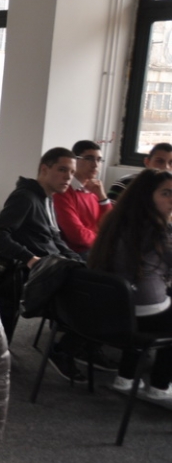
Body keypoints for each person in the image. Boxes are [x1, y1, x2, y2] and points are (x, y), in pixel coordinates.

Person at [0, 147, 84, 374]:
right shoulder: (25, 197)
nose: (68, 177)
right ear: (44, 169)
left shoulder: (48, 199)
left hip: (48, 269)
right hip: (27, 274)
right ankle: (63, 349)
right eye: (62, 170)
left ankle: (68, 347)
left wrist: (77, 261)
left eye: (72, 172)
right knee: (86, 299)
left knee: (91, 283)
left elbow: (55, 238)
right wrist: (30, 259)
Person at [88, 168, 172, 401]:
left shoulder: (115, 221)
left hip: (115, 310)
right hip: (141, 310)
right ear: (146, 196)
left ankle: (125, 378)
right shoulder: (157, 230)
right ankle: (160, 386)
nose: (171, 200)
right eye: (165, 193)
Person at [52, 140, 111, 258]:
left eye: (99, 160)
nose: (95, 165)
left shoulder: (95, 190)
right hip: (76, 253)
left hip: (96, 248)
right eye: (89, 159)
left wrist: (103, 198)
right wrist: (103, 241)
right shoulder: (63, 192)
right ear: (74, 160)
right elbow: (77, 236)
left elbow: (111, 225)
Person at [107, 142, 172, 201]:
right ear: (147, 162)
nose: (166, 167)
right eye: (160, 161)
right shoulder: (125, 183)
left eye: (171, 162)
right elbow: (111, 209)